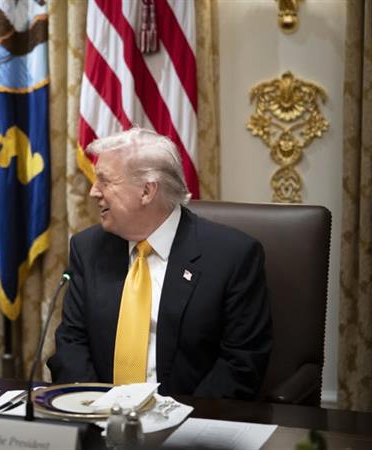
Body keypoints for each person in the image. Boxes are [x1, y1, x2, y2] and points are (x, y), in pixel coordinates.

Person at [48, 127, 272, 399]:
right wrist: (93, 406)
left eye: (104, 181)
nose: (94, 192)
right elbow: (71, 341)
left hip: (191, 417)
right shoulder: (88, 248)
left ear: (146, 191)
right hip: (99, 414)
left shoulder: (233, 257)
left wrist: (182, 416)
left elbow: (241, 363)